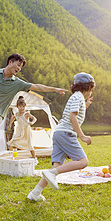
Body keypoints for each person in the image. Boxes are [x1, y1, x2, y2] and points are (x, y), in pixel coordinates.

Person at [27, 72, 95, 201]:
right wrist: (82, 135)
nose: (91, 93)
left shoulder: (77, 97)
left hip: (59, 133)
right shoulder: (78, 97)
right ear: (88, 87)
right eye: (91, 90)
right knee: (83, 162)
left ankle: (35, 193)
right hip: (66, 133)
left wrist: (86, 105)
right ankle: (51, 174)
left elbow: (75, 112)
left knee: (57, 165)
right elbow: (72, 116)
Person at [7, 96, 38, 161]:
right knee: (14, 142)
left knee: (30, 145)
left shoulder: (26, 114)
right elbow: (12, 118)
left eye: (23, 106)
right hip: (19, 130)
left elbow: (34, 118)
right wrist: (10, 124)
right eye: (20, 106)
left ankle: (35, 158)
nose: (22, 108)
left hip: (26, 131)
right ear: (17, 107)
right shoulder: (17, 114)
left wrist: (32, 122)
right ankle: (14, 157)